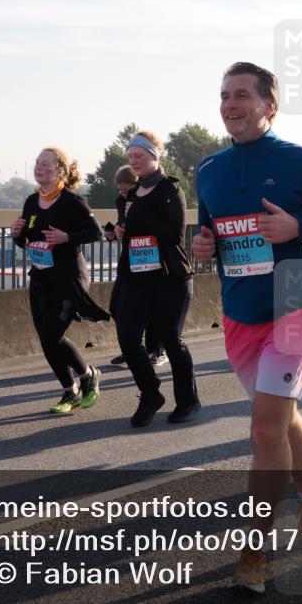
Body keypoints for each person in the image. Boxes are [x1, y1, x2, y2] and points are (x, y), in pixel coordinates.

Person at [192, 61, 302, 593]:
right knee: (280, 419)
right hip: (239, 313)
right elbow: (209, 232)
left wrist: (298, 228)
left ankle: (254, 551)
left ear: (269, 105)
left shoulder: (300, 161)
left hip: (293, 303)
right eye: (224, 95)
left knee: (265, 428)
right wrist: (203, 245)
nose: (230, 104)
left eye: (241, 95)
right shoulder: (209, 169)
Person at [11, 148, 108, 414]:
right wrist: (16, 235)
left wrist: (67, 237)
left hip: (69, 278)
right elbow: (27, 241)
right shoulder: (32, 201)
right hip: (41, 276)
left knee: (52, 335)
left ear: (60, 171)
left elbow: (96, 233)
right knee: (46, 339)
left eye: (46, 163)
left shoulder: (71, 201)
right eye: (37, 163)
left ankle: (88, 375)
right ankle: (70, 391)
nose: (39, 167)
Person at [114, 131, 200, 426]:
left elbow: (174, 234)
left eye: (138, 155)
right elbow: (129, 229)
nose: (134, 161)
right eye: (130, 157)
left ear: (153, 155)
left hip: (170, 276)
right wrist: (120, 231)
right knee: (127, 336)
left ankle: (188, 401)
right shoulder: (130, 194)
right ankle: (150, 393)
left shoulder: (170, 189)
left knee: (171, 340)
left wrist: (140, 218)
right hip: (137, 276)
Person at [104, 165, 166, 368]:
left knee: (153, 308)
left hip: (152, 256)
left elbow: (161, 225)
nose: (123, 194)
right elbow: (123, 223)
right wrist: (114, 233)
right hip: (130, 258)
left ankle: (156, 350)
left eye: (126, 189)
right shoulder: (121, 201)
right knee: (116, 307)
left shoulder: (149, 198)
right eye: (120, 190)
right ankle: (132, 349)